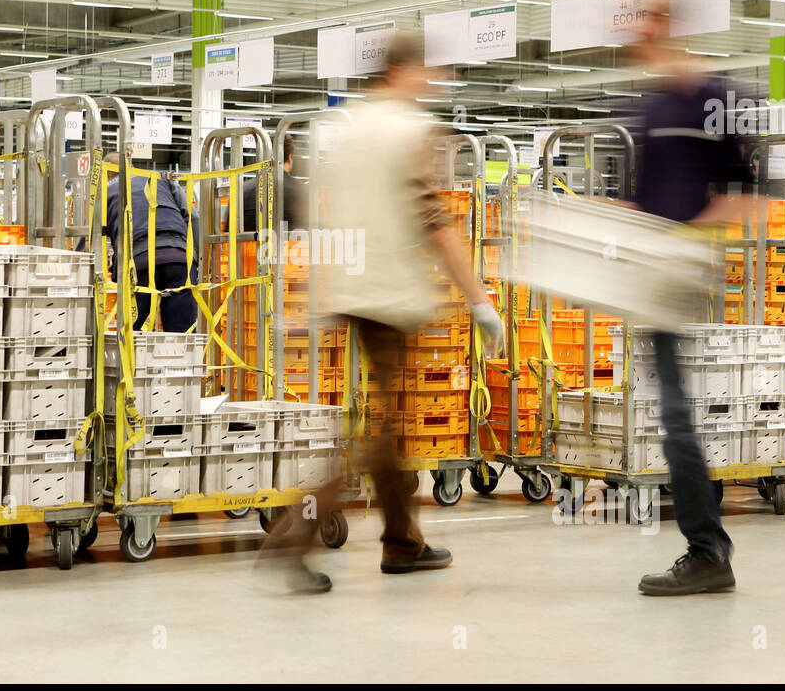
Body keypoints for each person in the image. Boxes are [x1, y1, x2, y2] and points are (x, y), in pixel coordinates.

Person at [260, 32, 505, 594]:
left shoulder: (337, 130)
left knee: (387, 423)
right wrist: (479, 299)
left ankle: (403, 540)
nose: (435, 83)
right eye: (429, 71)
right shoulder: (409, 130)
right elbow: (434, 222)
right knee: (381, 430)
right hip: (391, 292)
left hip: (346, 287)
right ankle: (295, 536)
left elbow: (313, 214)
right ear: (405, 69)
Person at [629, 0, 758, 596]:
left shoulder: (718, 96)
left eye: (645, 17)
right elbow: (644, 196)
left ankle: (708, 550)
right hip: (648, 267)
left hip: (678, 268)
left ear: (668, 24)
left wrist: (683, 238)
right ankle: (708, 545)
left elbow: (744, 195)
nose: (634, 30)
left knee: (676, 413)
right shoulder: (649, 105)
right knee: (673, 411)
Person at [102, 151, 199, 333]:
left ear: (107, 173)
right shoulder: (159, 179)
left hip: (139, 263)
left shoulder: (104, 192)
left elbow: (92, 238)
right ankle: (181, 362)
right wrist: (197, 258)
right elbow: (193, 217)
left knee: (137, 335)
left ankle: (137, 362)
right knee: (182, 334)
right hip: (180, 258)